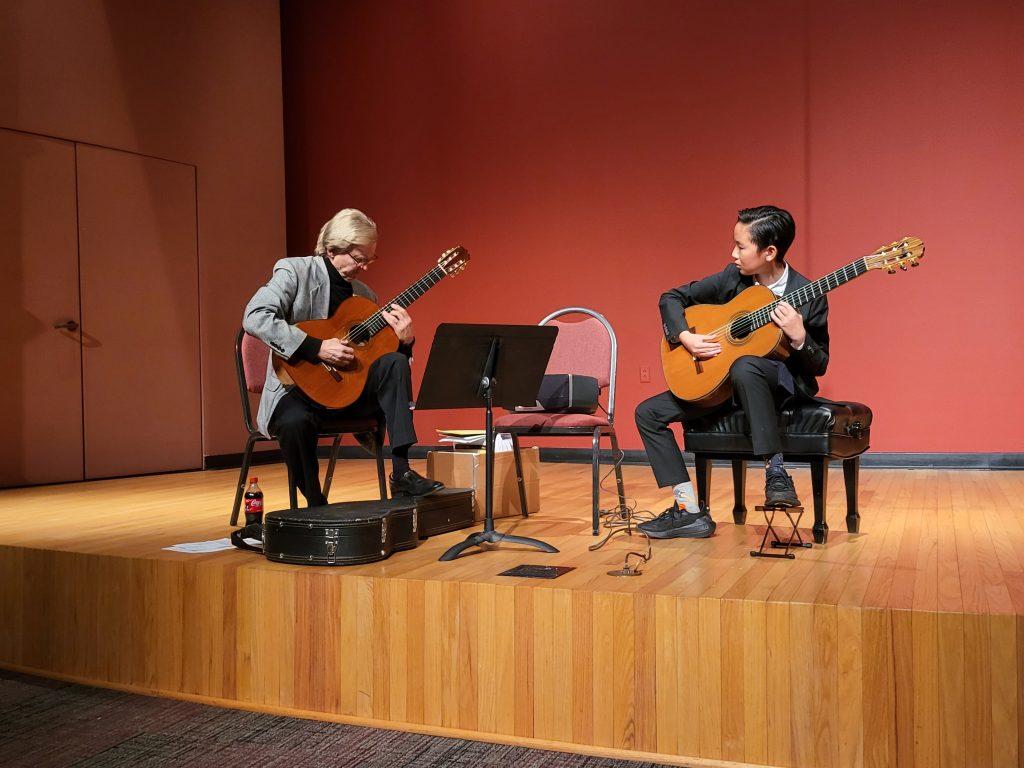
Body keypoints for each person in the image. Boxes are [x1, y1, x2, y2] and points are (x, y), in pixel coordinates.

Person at [634, 205, 829, 539]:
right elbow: (671, 297)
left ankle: (776, 471)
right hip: (725, 386)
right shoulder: (733, 277)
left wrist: (800, 337)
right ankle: (688, 511)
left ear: (769, 252)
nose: (733, 253)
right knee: (647, 413)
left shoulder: (809, 295)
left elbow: (819, 365)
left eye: (741, 246)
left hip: (775, 387)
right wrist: (686, 337)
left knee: (746, 364)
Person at [243, 208, 443, 506]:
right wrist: (316, 347)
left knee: (395, 362)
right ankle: (315, 504)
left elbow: (379, 360)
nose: (364, 267)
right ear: (332, 249)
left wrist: (405, 342)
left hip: (349, 393)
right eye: (358, 258)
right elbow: (255, 316)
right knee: (294, 422)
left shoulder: (364, 296)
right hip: (297, 392)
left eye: (369, 260)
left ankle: (401, 473)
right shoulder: (294, 271)